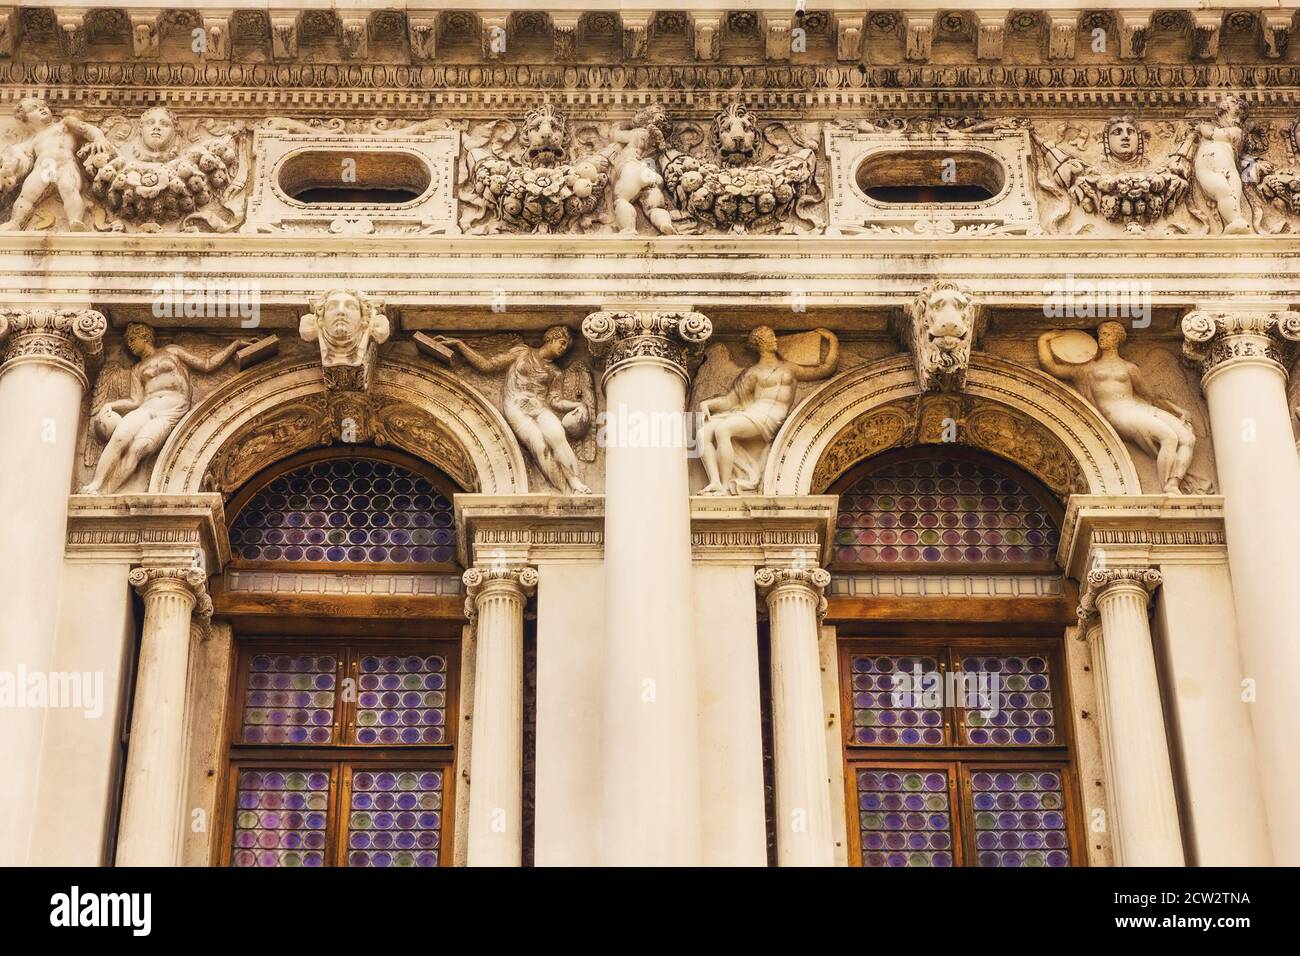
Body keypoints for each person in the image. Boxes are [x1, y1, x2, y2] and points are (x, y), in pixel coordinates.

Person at [83, 324, 252, 494]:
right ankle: (96, 485)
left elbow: (207, 364)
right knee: (119, 437)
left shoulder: (172, 351)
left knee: (139, 447)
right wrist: (110, 405)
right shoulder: (137, 369)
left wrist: (235, 344)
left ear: (145, 337)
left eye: (133, 339)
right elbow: (135, 400)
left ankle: (108, 490)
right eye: (127, 342)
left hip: (171, 409)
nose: (130, 345)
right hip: (147, 407)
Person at [1038, 322, 1195, 494]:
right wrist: (1044, 339)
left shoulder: (1129, 368)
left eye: (1107, 334)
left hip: (1139, 408)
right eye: (1101, 335)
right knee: (1169, 437)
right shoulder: (1087, 369)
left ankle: (1174, 481)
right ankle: (1169, 488)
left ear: (1117, 339)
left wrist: (1178, 410)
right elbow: (1051, 366)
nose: (1102, 338)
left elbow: (1151, 397)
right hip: (1119, 414)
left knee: (1188, 438)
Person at [434, 326, 591, 494]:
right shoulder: (522, 352)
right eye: (562, 343)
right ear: (551, 338)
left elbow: (555, 401)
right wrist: (459, 344)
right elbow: (488, 365)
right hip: (516, 406)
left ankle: (575, 482)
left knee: (558, 435)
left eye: (566, 347)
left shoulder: (556, 372)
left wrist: (577, 405)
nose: (563, 349)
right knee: (540, 446)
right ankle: (565, 490)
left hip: (538, 406)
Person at [697, 326, 838, 495]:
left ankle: (725, 486)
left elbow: (824, 369)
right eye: (771, 337)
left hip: (772, 416)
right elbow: (730, 400)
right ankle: (715, 482)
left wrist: (832, 341)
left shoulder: (789, 368)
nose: (776, 340)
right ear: (760, 344)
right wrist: (707, 405)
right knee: (703, 432)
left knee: (723, 429)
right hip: (754, 412)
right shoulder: (752, 373)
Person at [0, 97, 111, 231]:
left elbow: (86, 129)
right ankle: (16, 222)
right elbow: (19, 158)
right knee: (27, 193)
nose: (41, 108)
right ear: (25, 119)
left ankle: (75, 220)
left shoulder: (64, 124)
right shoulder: (34, 140)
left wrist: (98, 138)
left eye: (43, 106)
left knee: (69, 189)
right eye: (33, 108)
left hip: (65, 164)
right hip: (43, 167)